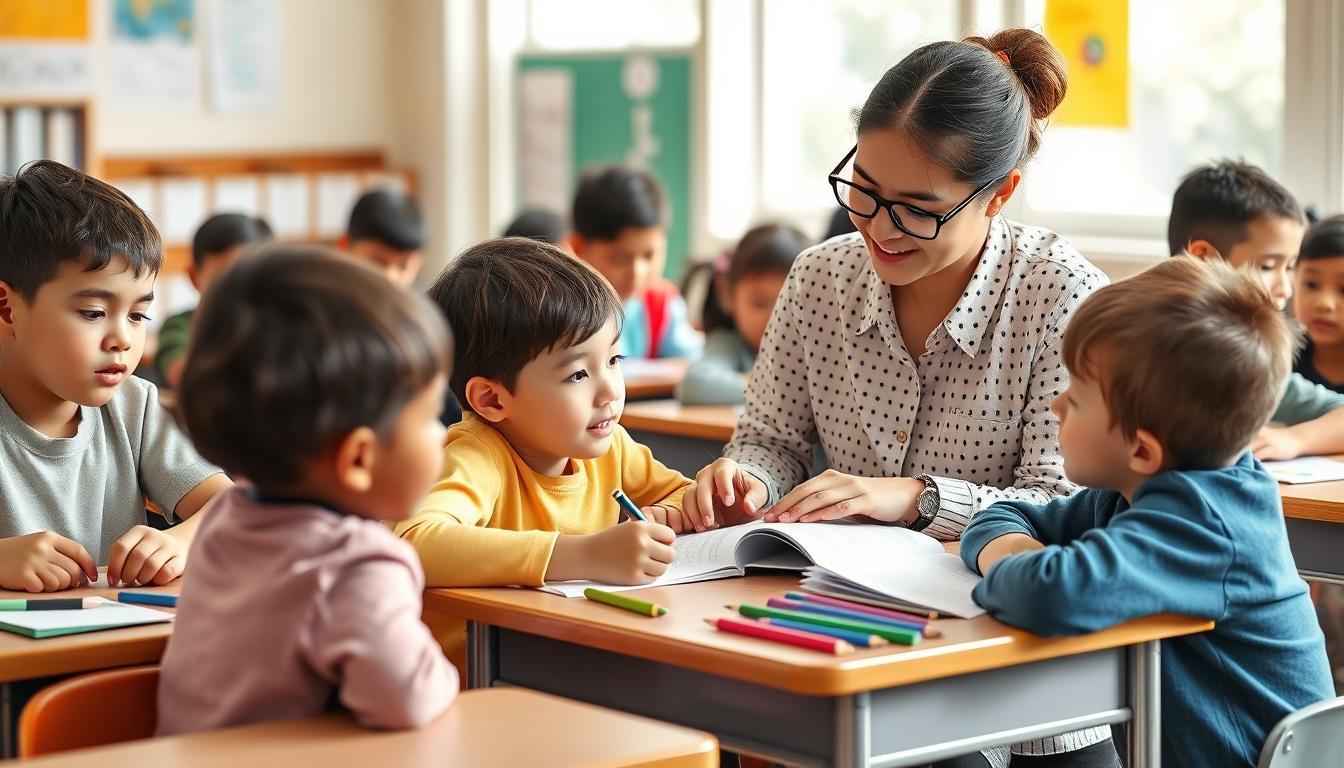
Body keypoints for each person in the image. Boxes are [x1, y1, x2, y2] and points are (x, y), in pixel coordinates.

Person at [681, 30, 1119, 767]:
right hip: (860, 639)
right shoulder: (820, 278)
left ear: (1001, 191)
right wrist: (746, 478)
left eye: (919, 207)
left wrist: (916, 497)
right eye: (866, 190)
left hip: (1032, 681)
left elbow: (1063, 504)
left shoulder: (1062, 295)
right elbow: (771, 441)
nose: (880, 229)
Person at [961, 256, 1333, 768]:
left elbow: (1046, 595)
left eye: (1078, 397)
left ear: (1142, 449)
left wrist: (1010, 557)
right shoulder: (1137, 491)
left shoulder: (1204, 523)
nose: (1056, 405)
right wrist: (1014, 544)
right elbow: (1008, 515)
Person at [157, 247, 458, 735]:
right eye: (428, 417)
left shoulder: (227, 516)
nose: (443, 434)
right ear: (358, 458)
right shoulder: (354, 564)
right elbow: (407, 699)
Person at [396, 237, 690, 668]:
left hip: (564, 663)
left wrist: (695, 505)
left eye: (613, 359)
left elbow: (679, 494)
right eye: (577, 375)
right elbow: (414, 542)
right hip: (477, 690)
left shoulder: (609, 447)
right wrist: (585, 555)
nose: (610, 389)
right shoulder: (477, 455)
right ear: (493, 400)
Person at [0, 160, 229, 592]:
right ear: (7, 309)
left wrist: (180, 541)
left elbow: (235, 506)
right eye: (93, 313)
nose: (123, 339)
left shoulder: (134, 405)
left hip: (119, 648)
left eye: (139, 315)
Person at [1167, 160, 1344, 460]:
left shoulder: (1248, 356)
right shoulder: (1139, 341)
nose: (1286, 289)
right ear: (1204, 258)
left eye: (1290, 267)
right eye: (1267, 266)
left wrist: (1293, 440)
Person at [570, 166, 702, 359]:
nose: (637, 272)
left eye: (649, 255)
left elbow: (690, 357)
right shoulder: (565, 311)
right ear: (579, 248)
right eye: (619, 259)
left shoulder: (662, 304)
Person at [677, 224, 810, 405]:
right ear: (728, 295)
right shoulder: (729, 344)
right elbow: (695, 385)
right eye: (760, 303)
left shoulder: (815, 346)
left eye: (789, 304)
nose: (775, 318)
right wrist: (784, 390)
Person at [154, 213, 272, 388]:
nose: (235, 287)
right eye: (221, 279)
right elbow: (181, 375)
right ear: (194, 278)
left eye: (246, 275)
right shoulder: (181, 325)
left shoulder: (274, 320)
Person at [342, 188, 424, 287]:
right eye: (376, 262)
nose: (390, 277)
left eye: (403, 266)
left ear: (418, 264)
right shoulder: (323, 298)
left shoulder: (426, 301)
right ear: (344, 247)